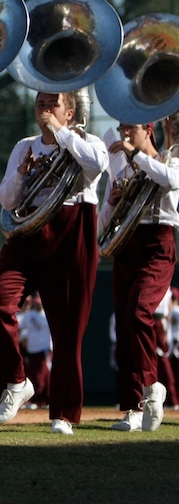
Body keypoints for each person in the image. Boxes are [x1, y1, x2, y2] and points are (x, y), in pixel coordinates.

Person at [0, 91, 107, 435]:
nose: (43, 107)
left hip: (72, 230)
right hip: (27, 233)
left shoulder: (88, 141)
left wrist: (61, 133)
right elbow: (7, 199)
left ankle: (64, 414)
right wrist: (22, 173)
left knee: (67, 332)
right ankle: (16, 380)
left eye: (52, 103)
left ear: (70, 112)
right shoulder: (25, 145)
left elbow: (96, 166)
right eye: (40, 102)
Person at [100, 118, 179, 432]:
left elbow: (170, 181)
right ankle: (133, 407)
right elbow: (101, 226)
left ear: (149, 131)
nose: (123, 135)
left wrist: (135, 156)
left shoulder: (169, 160)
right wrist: (111, 202)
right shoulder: (123, 170)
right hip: (127, 245)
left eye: (130, 128)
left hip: (158, 244)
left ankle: (152, 387)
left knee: (139, 312)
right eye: (121, 129)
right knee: (124, 324)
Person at [17, 294, 52, 409]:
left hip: (44, 350)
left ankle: (42, 400)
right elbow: (19, 326)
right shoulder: (29, 315)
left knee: (41, 376)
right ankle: (37, 400)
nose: (37, 304)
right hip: (31, 350)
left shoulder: (47, 316)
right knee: (33, 375)